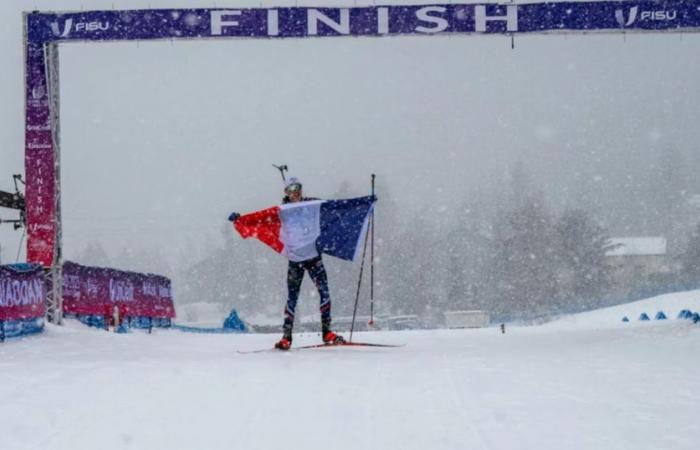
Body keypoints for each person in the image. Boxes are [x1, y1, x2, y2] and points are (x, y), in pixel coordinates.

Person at [229, 177, 345, 350]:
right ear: (286, 192)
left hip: (314, 257)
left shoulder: (311, 204)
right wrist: (242, 219)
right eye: (291, 189)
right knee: (292, 298)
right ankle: (286, 337)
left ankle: (327, 332)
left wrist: (365, 203)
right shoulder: (281, 211)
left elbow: (335, 207)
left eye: (297, 188)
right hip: (295, 260)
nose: (295, 192)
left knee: (324, 292)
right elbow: (261, 219)